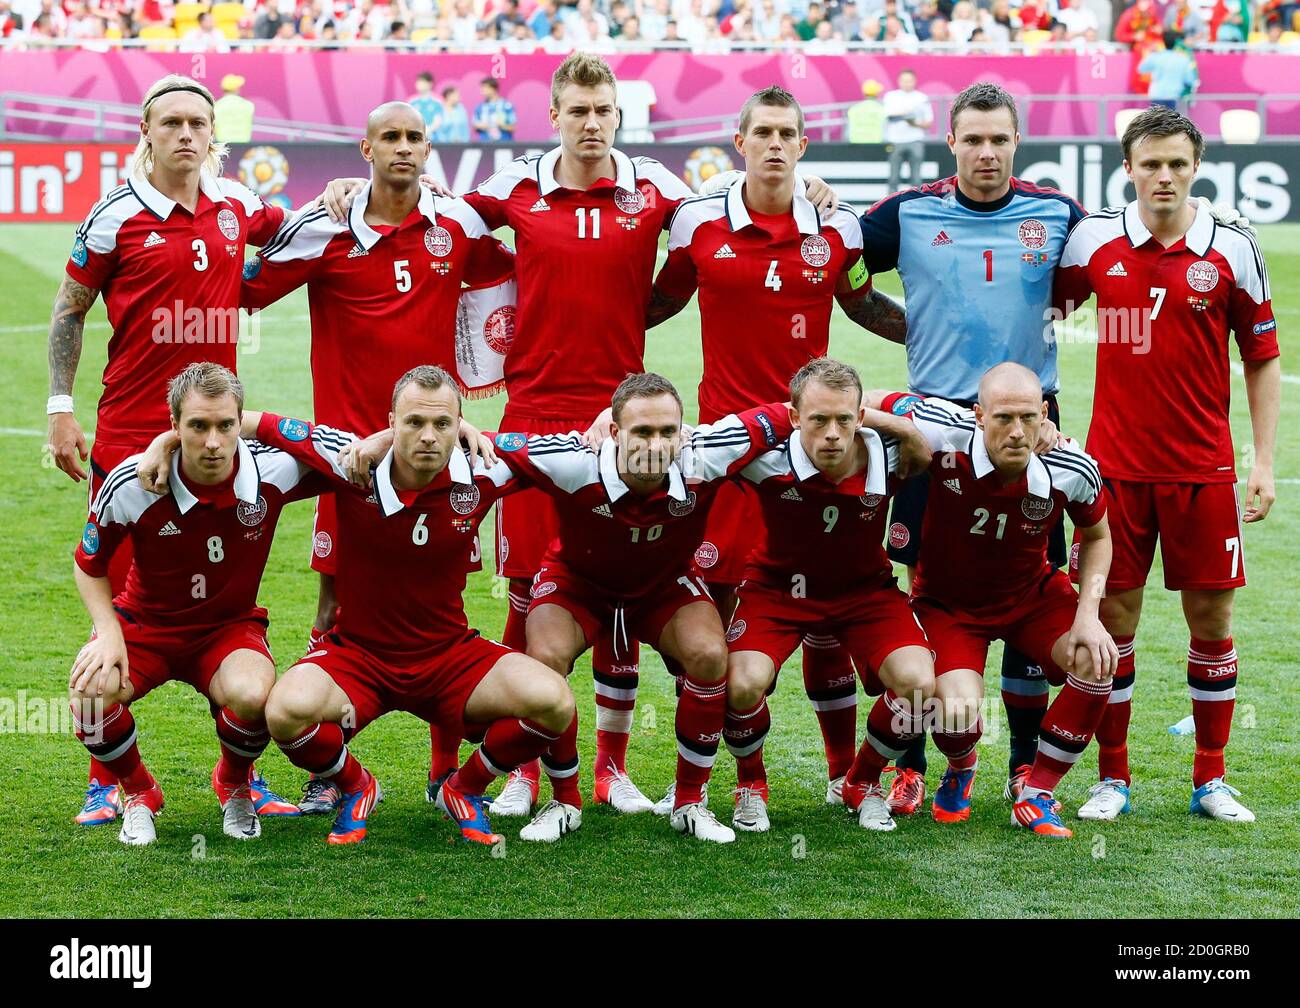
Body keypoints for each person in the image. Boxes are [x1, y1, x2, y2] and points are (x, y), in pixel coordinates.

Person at [241, 101, 516, 812]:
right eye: (389, 137)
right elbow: (244, 289)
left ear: (429, 147)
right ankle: (328, 769)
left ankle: (443, 765)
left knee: (442, 595)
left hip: (435, 448)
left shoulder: (455, 224)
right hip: (346, 460)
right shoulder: (330, 226)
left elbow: (527, 261)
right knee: (335, 603)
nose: (402, 147)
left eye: (414, 137)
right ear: (364, 148)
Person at [649, 86, 919, 809]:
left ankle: (842, 776)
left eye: (788, 133)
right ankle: (748, 780)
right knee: (727, 625)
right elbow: (661, 301)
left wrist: (933, 335)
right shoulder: (699, 222)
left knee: (826, 615)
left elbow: (861, 303)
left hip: (822, 448)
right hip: (729, 461)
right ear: (739, 141)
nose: (775, 143)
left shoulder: (839, 230)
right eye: (762, 131)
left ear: (804, 145)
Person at [177, 366, 578, 846]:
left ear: (460, 426)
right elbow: (252, 422)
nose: (428, 437)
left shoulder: (484, 465)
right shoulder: (348, 460)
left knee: (555, 703)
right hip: (358, 659)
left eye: (442, 424)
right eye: (413, 423)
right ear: (391, 422)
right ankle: (356, 786)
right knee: (283, 712)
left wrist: (615, 432)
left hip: (450, 657)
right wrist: (167, 442)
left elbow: (572, 450)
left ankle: (465, 788)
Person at [49, 74, 295, 827]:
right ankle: (112, 780)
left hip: (209, 435)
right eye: (172, 123)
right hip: (129, 442)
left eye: (199, 123)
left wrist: (343, 192)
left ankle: (237, 779)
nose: (187, 134)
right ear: (146, 133)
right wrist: (61, 408)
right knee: (120, 612)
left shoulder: (234, 207)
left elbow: (284, 224)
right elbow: (69, 311)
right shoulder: (113, 217)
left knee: (220, 599)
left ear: (213, 136)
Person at [858, 81, 1087, 814]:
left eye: (999, 139)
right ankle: (912, 764)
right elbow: (840, 272)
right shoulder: (904, 215)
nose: (986, 152)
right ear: (950, 141)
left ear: (1016, 142)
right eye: (973, 139)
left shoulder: (1058, 214)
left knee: (1028, 580)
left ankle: (1023, 763)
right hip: (932, 427)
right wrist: (908, 328)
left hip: (1027, 424)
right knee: (924, 585)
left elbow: (1091, 287)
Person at [1054, 105, 1279, 824]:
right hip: (1112, 473)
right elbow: (1040, 315)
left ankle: (1210, 779)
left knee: (1210, 622)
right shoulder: (1092, 240)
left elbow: (1262, 357)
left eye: (1177, 163)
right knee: (1112, 623)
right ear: (1128, 168)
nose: (1164, 176)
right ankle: (1111, 779)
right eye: (1150, 163)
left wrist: (1262, 461)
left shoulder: (1232, 249)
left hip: (1204, 472)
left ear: (1195, 167)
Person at [492, 373, 798, 843]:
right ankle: (564, 800)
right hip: (579, 583)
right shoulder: (575, 461)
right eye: (641, 432)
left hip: (663, 587)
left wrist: (874, 417)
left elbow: (790, 413)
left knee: (710, 654)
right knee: (545, 658)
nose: (656, 445)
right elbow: (487, 445)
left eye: (667, 432)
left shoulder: (706, 451)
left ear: (685, 431)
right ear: (614, 433)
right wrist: (410, 437)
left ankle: (690, 802)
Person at [68, 364, 313, 846]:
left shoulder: (273, 469)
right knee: (89, 695)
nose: (214, 442)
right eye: (198, 426)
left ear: (242, 421)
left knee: (254, 695)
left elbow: (348, 452)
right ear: (174, 427)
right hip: (146, 624)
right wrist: (109, 631)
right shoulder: (133, 482)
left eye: (226, 425)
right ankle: (139, 792)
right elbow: (88, 564)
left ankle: (234, 783)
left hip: (228, 629)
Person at [870, 364, 1116, 837]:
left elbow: (1099, 535)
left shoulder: (1071, 464)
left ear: (1046, 414)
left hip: (1031, 597)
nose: (1017, 432)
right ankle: (962, 764)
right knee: (957, 710)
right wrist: (902, 425)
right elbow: (867, 399)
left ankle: (1037, 791)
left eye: (1028, 417)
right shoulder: (943, 426)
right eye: (1003, 418)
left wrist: (1089, 615)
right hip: (950, 605)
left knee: (1098, 658)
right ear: (978, 415)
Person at [723, 359, 936, 833]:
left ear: (861, 417)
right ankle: (750, 784)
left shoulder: (886, 456)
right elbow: (693, 449)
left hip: (864, 593)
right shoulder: (763, 458)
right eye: (818, 419)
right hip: (778, 591)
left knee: (921, 687)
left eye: (845, 419)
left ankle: (860, 782)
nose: (833, 434)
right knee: (740, 684)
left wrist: (892, 420)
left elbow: (923, 451)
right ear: (794, 418)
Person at [882, 69, 932, 193]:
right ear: (899, 81)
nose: (907, 83)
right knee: (893, 177)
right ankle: (890, 205)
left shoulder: (922, 98)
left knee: (916, 178)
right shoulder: (891, 96)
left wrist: (914, 122)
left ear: (914, 81)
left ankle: (916, 202)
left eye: (909, 80)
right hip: (895, 141)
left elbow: (928, 122)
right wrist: (905, 114)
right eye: (904, 80)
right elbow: (888, 115)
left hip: (915, 140)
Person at [1139, 31, 1199, 109]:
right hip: (1173, 95)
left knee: (1156, 120)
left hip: (1157, 95)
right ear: (1176, 43)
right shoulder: (1183, 59)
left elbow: (1141, 69)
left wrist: (1151, 53)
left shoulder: (1156, 56)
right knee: (1170, 120)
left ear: (1163, 41)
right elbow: (1190, 80)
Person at [213, 74, 255, 144]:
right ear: (236, 89)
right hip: (244, 145)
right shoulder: (248, 105)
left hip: (223, 146)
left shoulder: (216, 106)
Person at [845, 78, 886, 143]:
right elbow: (885, 131)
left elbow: (847, 133)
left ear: (864, 93)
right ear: (877, 93)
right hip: (876, 146)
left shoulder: (854, 109)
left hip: (856, 144)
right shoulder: (882, 109)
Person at [408, 71, 443, 139]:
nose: (419, 84)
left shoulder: (437, 101)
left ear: (430, 84)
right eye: (418, 82)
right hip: (415, 139)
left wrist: (428, 130)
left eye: (422, 82)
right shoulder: (411, 102)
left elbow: (438, 120)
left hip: (434, 140)